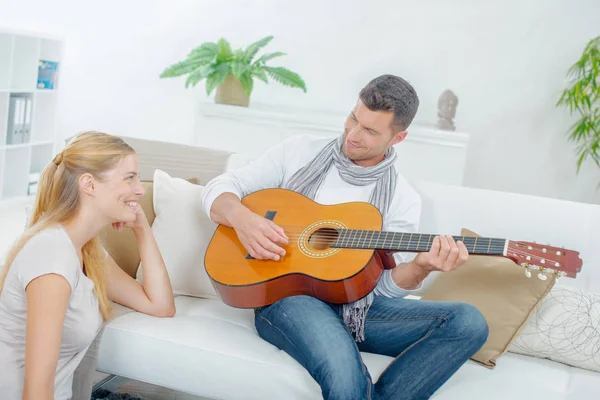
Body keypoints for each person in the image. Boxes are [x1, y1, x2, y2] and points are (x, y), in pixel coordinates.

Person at [201, 74, 489, 400]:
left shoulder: (402, 199)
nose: (352, 134)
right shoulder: (299, 151)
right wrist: (244, 220)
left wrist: (421, 267)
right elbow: (220, 189)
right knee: (345, 377)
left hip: (357, 308)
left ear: (398, 137)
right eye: (354, 118)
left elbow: (376, 286)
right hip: (285, 298)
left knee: (469, 322)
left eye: (370, 131)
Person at [0, 131, 176, 400]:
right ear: (89, 184)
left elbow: (160, 306)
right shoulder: (52, 258)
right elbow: (36, 393)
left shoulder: (88, 252)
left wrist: (142, 230)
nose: (140, 189)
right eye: (129, 177)